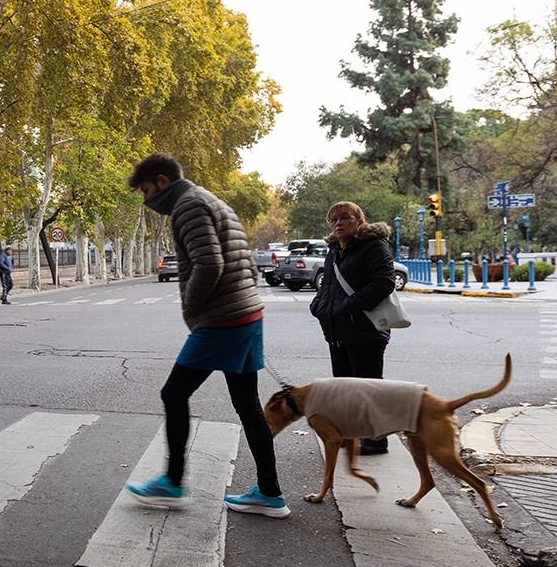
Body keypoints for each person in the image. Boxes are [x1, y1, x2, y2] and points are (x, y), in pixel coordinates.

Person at [123, 153, 288, 518]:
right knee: (246, 404)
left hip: (222, 318)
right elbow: (242, 258)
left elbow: (209, 263)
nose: (147, 200)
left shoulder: (187, 206)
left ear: (162, 182)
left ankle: (172, 483)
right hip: (245, 312)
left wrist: (193, 311)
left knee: (174, 392)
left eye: (147, 191)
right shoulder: (209, 199)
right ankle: (270, 493)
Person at [309, 201, 397, 455]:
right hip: (337, 330)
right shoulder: (335, 249)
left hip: (365, 329)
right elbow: (328, 285)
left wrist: (348, 307)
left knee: (368, 387)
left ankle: (377, 439)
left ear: (359, 220)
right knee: (345, 386)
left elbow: (384, 282)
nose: (338, 223)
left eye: (345, 217)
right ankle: (353, 434)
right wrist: (318, 306)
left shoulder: (373, 246)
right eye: (333, 219)